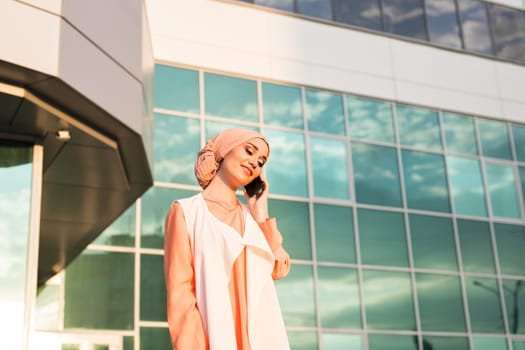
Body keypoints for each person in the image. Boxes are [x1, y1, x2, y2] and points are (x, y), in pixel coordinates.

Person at [164, 128, 291, 350]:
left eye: (261, 162)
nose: (254, 163)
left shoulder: (252, 219)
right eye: (249, 151)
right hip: (218, 340)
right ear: (224, 150)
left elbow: (279, 269)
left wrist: (260, 213)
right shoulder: (186, 211)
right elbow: (181, 296)